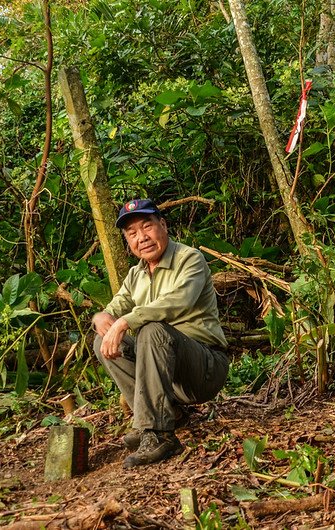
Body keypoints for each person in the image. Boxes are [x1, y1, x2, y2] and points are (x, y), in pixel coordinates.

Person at [92, 198, 229, 468]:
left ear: (163, 225)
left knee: (152, 330)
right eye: (132, 233)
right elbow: (114, 308)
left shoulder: (189, 258)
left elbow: (180, 301)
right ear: (127, 241)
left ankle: (159, 435)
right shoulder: (136, 274)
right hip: (168, 371)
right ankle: (168, 415)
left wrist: (126, 321)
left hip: (203, 368)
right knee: (102, 341)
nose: (141, 238)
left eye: (147, 227)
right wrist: (102, 318)